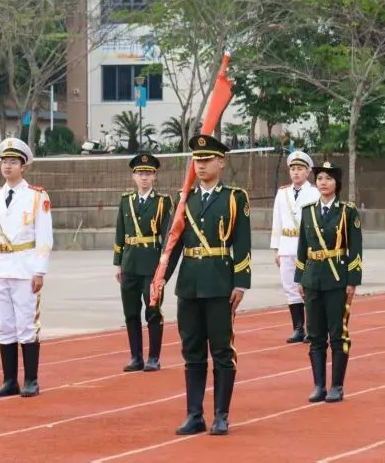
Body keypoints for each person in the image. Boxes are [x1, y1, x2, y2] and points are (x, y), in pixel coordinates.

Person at [163, 134, 252, 436]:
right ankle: (194, 414)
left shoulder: (234, 198)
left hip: (218, 281)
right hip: (189, 282)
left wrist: (241, 283)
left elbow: (241, 243)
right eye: (196, 160)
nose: (200, 166)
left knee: (222, 350)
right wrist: (160, 278)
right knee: (192, 351)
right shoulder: (184, 199)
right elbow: (173, 244)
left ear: (221, 162)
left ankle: (221, 415)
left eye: (206, 160)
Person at [0, 137, 54, 398]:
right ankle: (9, 380)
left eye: (13, 162)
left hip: (24, 267)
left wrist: (40, 270)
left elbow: (44, 236)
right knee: (4, 325)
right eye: (4, 161)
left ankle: (31, 379)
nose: (7, 166)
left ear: (23, 166)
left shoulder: (36, 196)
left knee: (26, 324)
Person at [294, 161, 363, 403]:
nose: (323, 183)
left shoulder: (347, 211)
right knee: (315, 334)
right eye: (320, 178)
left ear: (337, 184)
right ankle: (319, 385)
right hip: (313, 277)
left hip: (336, 277)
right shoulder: (308, 211)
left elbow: (355, 248)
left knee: (337, 333)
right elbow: (302, 247)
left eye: (328, 179)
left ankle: (337, 385)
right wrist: (299, 278)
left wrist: (352, 281)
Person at [114, 152, 173, 371]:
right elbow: (120, 232)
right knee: (130, 312)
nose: (144, 178)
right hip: (129, 263)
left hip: (151, 264)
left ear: (154, 176)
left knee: (152, 311)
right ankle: (135, 356)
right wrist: (118, 262)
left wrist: (163, 268)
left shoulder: (163, 202)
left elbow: (167, 236)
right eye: (140, 173)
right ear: (134, 176)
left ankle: (153, 357)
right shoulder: (125, 201)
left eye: (148, 173)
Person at [271, 150, 319, 343]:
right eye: (293, 169)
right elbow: (277, 221)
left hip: (306, 246)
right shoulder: (282, 193)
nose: (296, 173)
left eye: (300, 169)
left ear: (308, 172)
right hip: (286, 245)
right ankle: (298, 327)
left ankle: (312, 328)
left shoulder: (315, 192)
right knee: (290, 287)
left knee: (308, 288)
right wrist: (276, 249)